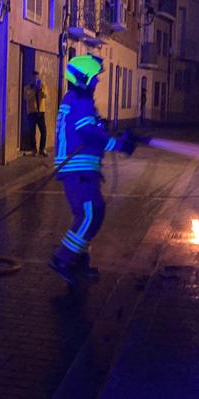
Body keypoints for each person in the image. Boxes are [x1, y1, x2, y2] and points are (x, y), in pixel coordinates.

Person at [50, 55, 136, 286]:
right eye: (94, 77)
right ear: (82, 78)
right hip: (79, 169)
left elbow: (92, 128)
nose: (97, 81)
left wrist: (114, 134)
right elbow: (88, 133)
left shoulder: (75, 100)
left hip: (79, 169)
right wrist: (118, 145)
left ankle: (79, 263)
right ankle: (63, 259)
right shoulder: (80, 100)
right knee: (91, 215)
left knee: (87, 215)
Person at [24, 71, 48, 156]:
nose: (35, 79)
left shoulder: (42, 86)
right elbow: (27, 97)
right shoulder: (27, 88)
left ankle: (42, 149)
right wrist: (34, 90)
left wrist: (40, 90)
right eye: (34, 77)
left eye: (37, 77)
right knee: (32, 132)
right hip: (32, 112)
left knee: (43, 131)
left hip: (41, 112)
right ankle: (34, 149)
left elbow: (45, 95)